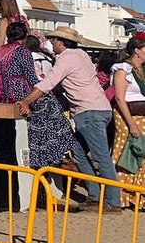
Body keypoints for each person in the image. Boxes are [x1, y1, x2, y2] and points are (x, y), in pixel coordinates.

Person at [20, 26, 121, 211]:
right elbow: (68, 83)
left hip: (89, 112)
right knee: (79, 154)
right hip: (98, 109)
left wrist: (27, 101)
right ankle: (95, 196)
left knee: (101, 158)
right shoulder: (82, 55)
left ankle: (113, 202)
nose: (51, 43)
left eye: (54, 40)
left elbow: (48, 83)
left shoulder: (66, 58)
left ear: (61, 42)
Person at [0, 22, 84, 182]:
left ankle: (51, 156)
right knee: (53, 110)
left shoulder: (1, 50)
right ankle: (53, 155)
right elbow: (31, 76)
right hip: (20, 91)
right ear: (24, 36)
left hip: (4, 92)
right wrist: (37, 94)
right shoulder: (22, 51)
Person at [109, 37, 145, 207]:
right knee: (125, 152)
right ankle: (122, 194)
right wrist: (131, 124)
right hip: (127, 115)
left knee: (142, 154)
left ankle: (138, 194)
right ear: (137, 50)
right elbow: (119, 98)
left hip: (142, 115)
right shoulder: (123, 69)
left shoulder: (142, 69)